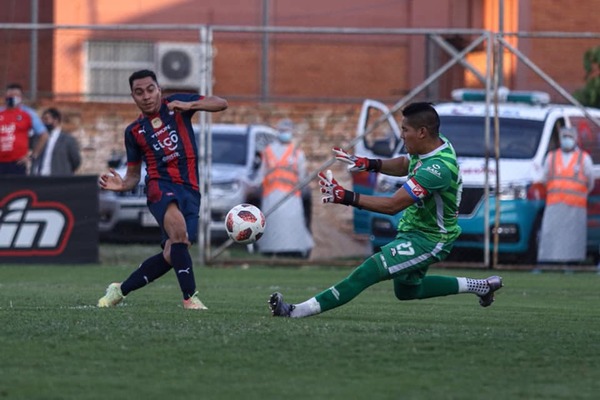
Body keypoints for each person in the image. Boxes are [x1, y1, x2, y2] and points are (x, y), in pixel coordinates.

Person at [269, 102, 503, 318]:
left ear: (422, 132)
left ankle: (294, 311)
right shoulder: (433, 143)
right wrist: (369, 163)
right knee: (407, 291)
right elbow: (406, 163)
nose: (401, 135)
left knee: (369, 270)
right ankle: (481, 286)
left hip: (431, 239)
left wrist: (347, 197)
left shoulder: (438, 169)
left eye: (405, 130)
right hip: (413, 231)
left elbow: (393, 205)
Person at [97, 69, 228, 310]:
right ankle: (189, 297)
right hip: (160, 187)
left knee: (173, 251)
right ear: (133, 97)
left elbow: (221, 104)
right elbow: (133, 176)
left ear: (159, 89)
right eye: (139, 93)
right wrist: (121, 184)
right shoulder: (134, 131)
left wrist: (190, 107)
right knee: (178, 234)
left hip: (190, 189)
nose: (146, 96)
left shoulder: (178, 104)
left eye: (150, 90)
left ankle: (120, 290)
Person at [537, 126, 594, 265]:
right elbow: (544, 178)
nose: (566, 140)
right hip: (554, 204)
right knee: (551, 235)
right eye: (564, 136)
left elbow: (590, 181)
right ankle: (548, 262)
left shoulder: (584, 158)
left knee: (572, 238)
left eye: (569, 136)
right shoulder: (552, 157)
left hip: (576, 206)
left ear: (575, 139)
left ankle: (572, 263)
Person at [258, 118, 314, 258]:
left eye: (287, 131)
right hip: (271, 196)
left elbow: (302, 176)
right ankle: (271, 252)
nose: (285, 134)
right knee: (273, 229)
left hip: (291, 197)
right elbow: (261, 174)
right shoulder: (268, 151)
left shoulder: (297, 152)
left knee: (291, 228)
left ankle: (294, 252)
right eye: (283, 131)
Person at [0, 83, 48, 175]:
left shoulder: (28, 114)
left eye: (16, 95)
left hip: (17, 162)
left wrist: (32, 156)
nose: (12, 98)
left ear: (21, 97)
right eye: (10, 95)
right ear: (5, 96)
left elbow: (44, 135)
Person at [34, 107, 81, 176]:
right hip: (40, 178)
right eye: (42, 119)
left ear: (55, 120)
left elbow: (76, 161)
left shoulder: (67, 139)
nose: (43, 122)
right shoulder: (38, 138)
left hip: (58, 179)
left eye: (46, 119)